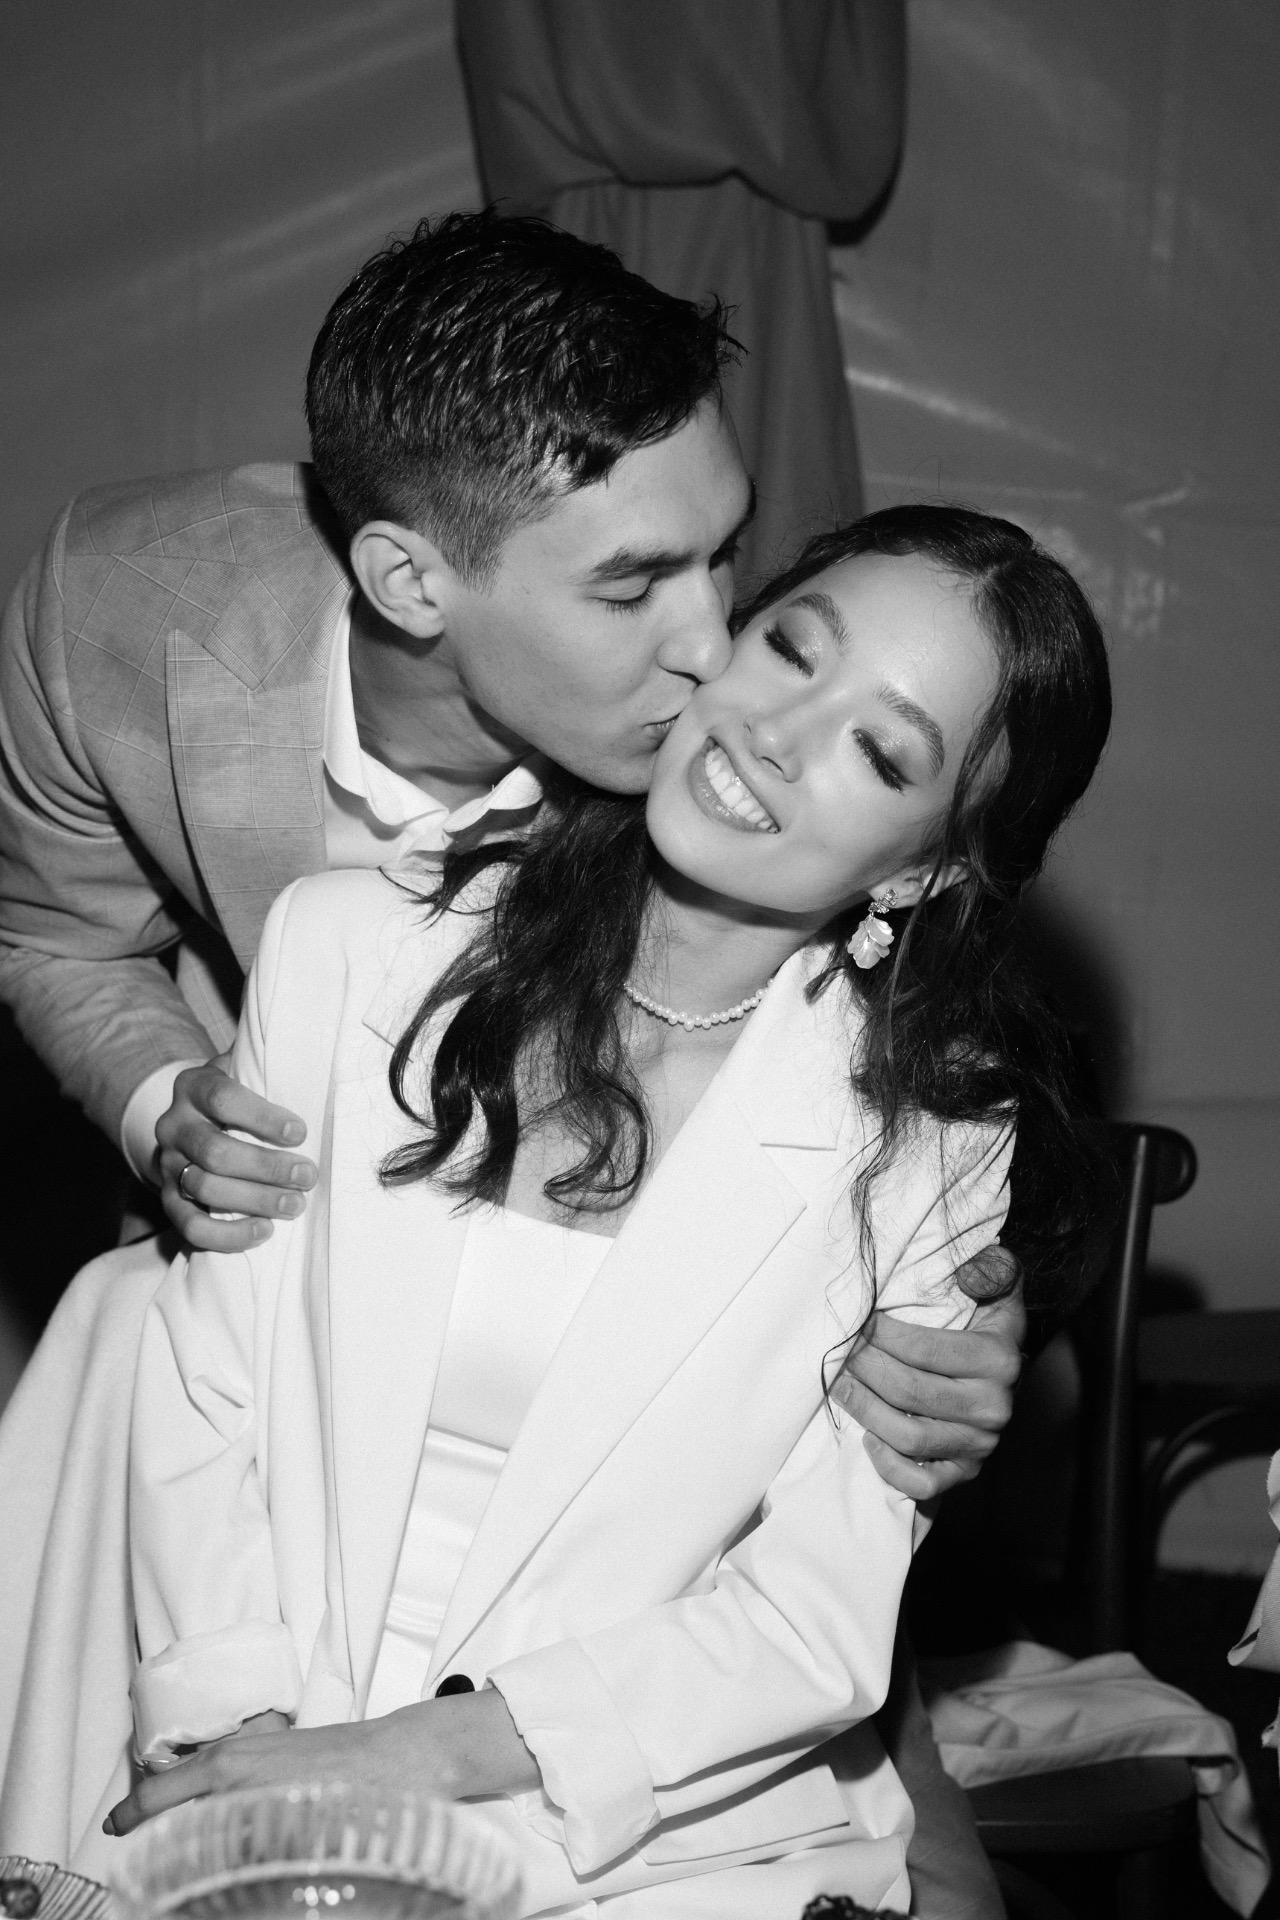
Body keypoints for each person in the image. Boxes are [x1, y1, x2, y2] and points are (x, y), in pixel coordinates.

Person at [106, 504, 1112, 1918]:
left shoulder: (927, 1144)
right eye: (791, 649)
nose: (778, 732)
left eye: (880, 752)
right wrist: (249, 1741)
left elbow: (807, 1620)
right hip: (251, 1721)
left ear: (922, 869)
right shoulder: (348, 947)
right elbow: (205, 1395)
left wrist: (403, 1765)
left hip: (634, 1811)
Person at [0, 211, 1018, 1494]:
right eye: (631, 587)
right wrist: (166, 1108)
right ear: (409, 583)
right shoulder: (115, 612)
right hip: (234, 1362)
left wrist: (955, 1311)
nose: (715, 646)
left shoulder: (737, 759)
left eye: (722, 554)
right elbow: (53, 935)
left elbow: (885, 1076)